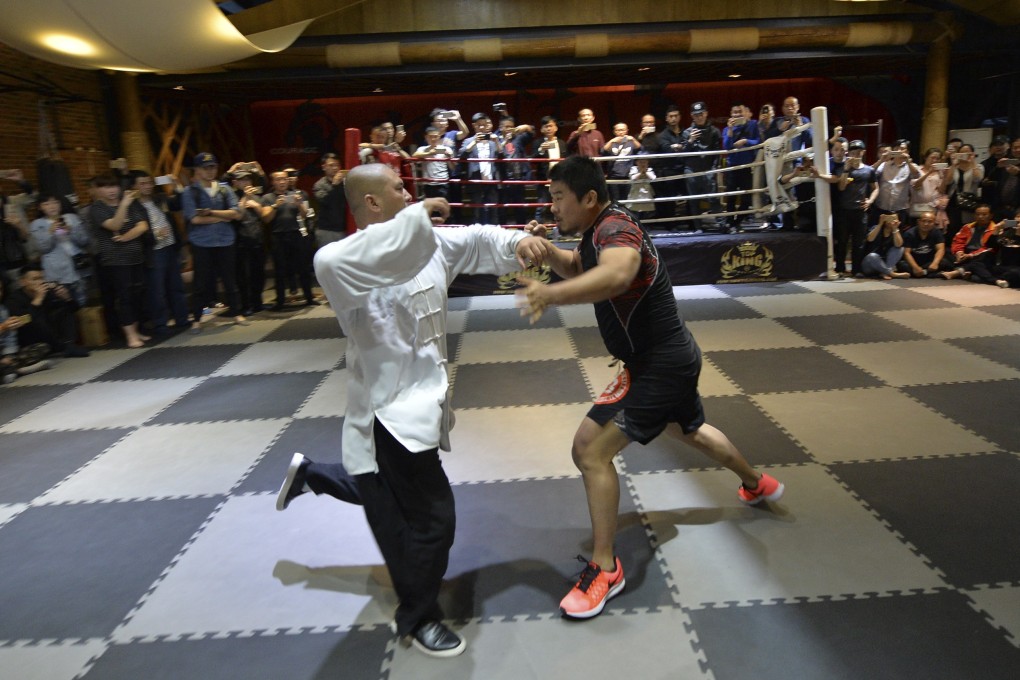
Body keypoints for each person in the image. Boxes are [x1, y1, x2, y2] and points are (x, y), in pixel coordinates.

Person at [274, 163, 552, 658]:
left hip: (425, 399)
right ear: (372, 203)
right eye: (399, 188)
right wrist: (418, 215)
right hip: (387, 411)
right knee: (432, 520)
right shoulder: (336, 261)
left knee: (385, 492)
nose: (409, 193)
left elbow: (476, 239)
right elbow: (391, 253)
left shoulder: (428, 242)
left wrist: (518, 242)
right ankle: (418, 618)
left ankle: (312, 475)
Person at [515, 156, 784, 620]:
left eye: (559, 197)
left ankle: (606, 570)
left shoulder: (617, 230)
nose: (552, 206)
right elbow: (580, 265)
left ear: (589, 198)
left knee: (590, 452)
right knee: (688, 429)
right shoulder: (597, 230)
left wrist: (549, 294)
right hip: (663, 360)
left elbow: (617, 274)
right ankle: (757, 484)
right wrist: (549, 253)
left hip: (661, 367)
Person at [180, 152, 248, 332]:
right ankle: (196, 318)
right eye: (205, 168)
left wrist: (211, 213)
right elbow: (194, 219)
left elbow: (237, 213)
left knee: (230, 279)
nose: (210, 171)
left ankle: (237, 312)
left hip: (226, 240)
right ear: (197, 170)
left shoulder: (225, 189)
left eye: (213, 167)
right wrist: (223, 217)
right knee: (201, 282)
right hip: (201, 242)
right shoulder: (190, 192)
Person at [88, 174, 152, 347]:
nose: (111, 191)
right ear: (98, 190)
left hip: (136, 257)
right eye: (106, 187)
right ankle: (130, 335)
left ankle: (137, 330)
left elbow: (143, 226)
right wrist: (123, 206)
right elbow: (114, 225)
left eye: (114, 186)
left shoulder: (130, 203)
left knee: (137, 295)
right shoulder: (97, 208)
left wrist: (124, 237)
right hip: (115, 260)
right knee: (125, 297)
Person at [262, 170, 316, 309]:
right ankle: (280, 302)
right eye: (278, 179)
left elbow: (304, 215)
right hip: (278, 236)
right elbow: (266, 218)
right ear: (273, 182)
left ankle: (309, 298)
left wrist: (299, 204)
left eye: (284, 179)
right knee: (280, 270)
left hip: (296, 234)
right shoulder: (268, 197)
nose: (282, 182)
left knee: (303, 267)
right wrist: (275, 205)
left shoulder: (295, 195)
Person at [29, 193, 90, 307]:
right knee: (63, 304)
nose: (52, 206)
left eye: (55, 202)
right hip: (57, 272)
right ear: (40, 207)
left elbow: (84, 241)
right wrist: (50, 232)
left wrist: (71, 231)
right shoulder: (37, 224)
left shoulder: (72, 218)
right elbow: (43, 248)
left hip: (79, 266)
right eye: (46, 204)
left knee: (83, 301)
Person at [834, 140, 877, 277]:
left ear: (863, 153)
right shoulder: (843, 168)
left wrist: (870, 201)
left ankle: (856, 269)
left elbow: (876, 188)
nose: (855, 155)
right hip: (845, 210)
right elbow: (841, 187)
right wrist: (846, 169)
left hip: (861, 210)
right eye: (852, 152)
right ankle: (840, 268)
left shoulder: (869, 170)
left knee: (859, 242)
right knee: (842, 240)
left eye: (858, 152)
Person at [899, 210, 950, 278]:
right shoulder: (909, 234)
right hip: (914, 260)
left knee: (944, 262)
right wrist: (915, 267)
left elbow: (940, 249)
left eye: (930, 222)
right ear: (918, 221)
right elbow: (906, 253)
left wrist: (935, 263)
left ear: (934, 223)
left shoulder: (937, 232)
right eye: (923, 221)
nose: (926, 224)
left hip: (929, 261)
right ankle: (930, 274)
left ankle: (922, 273)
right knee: (902, 265)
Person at [862, 212, 909, 279]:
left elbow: (899, 245)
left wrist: (895, 229)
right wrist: (880, 224)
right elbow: (870, 239)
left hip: (885, 264)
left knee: (899, 248)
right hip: (870, 264)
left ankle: (885, 272)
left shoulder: (896, 232)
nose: (891, 221)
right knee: (872, 256)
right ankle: (892, 273)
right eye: (889, 218)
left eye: (894, 219)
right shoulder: (876, 228)